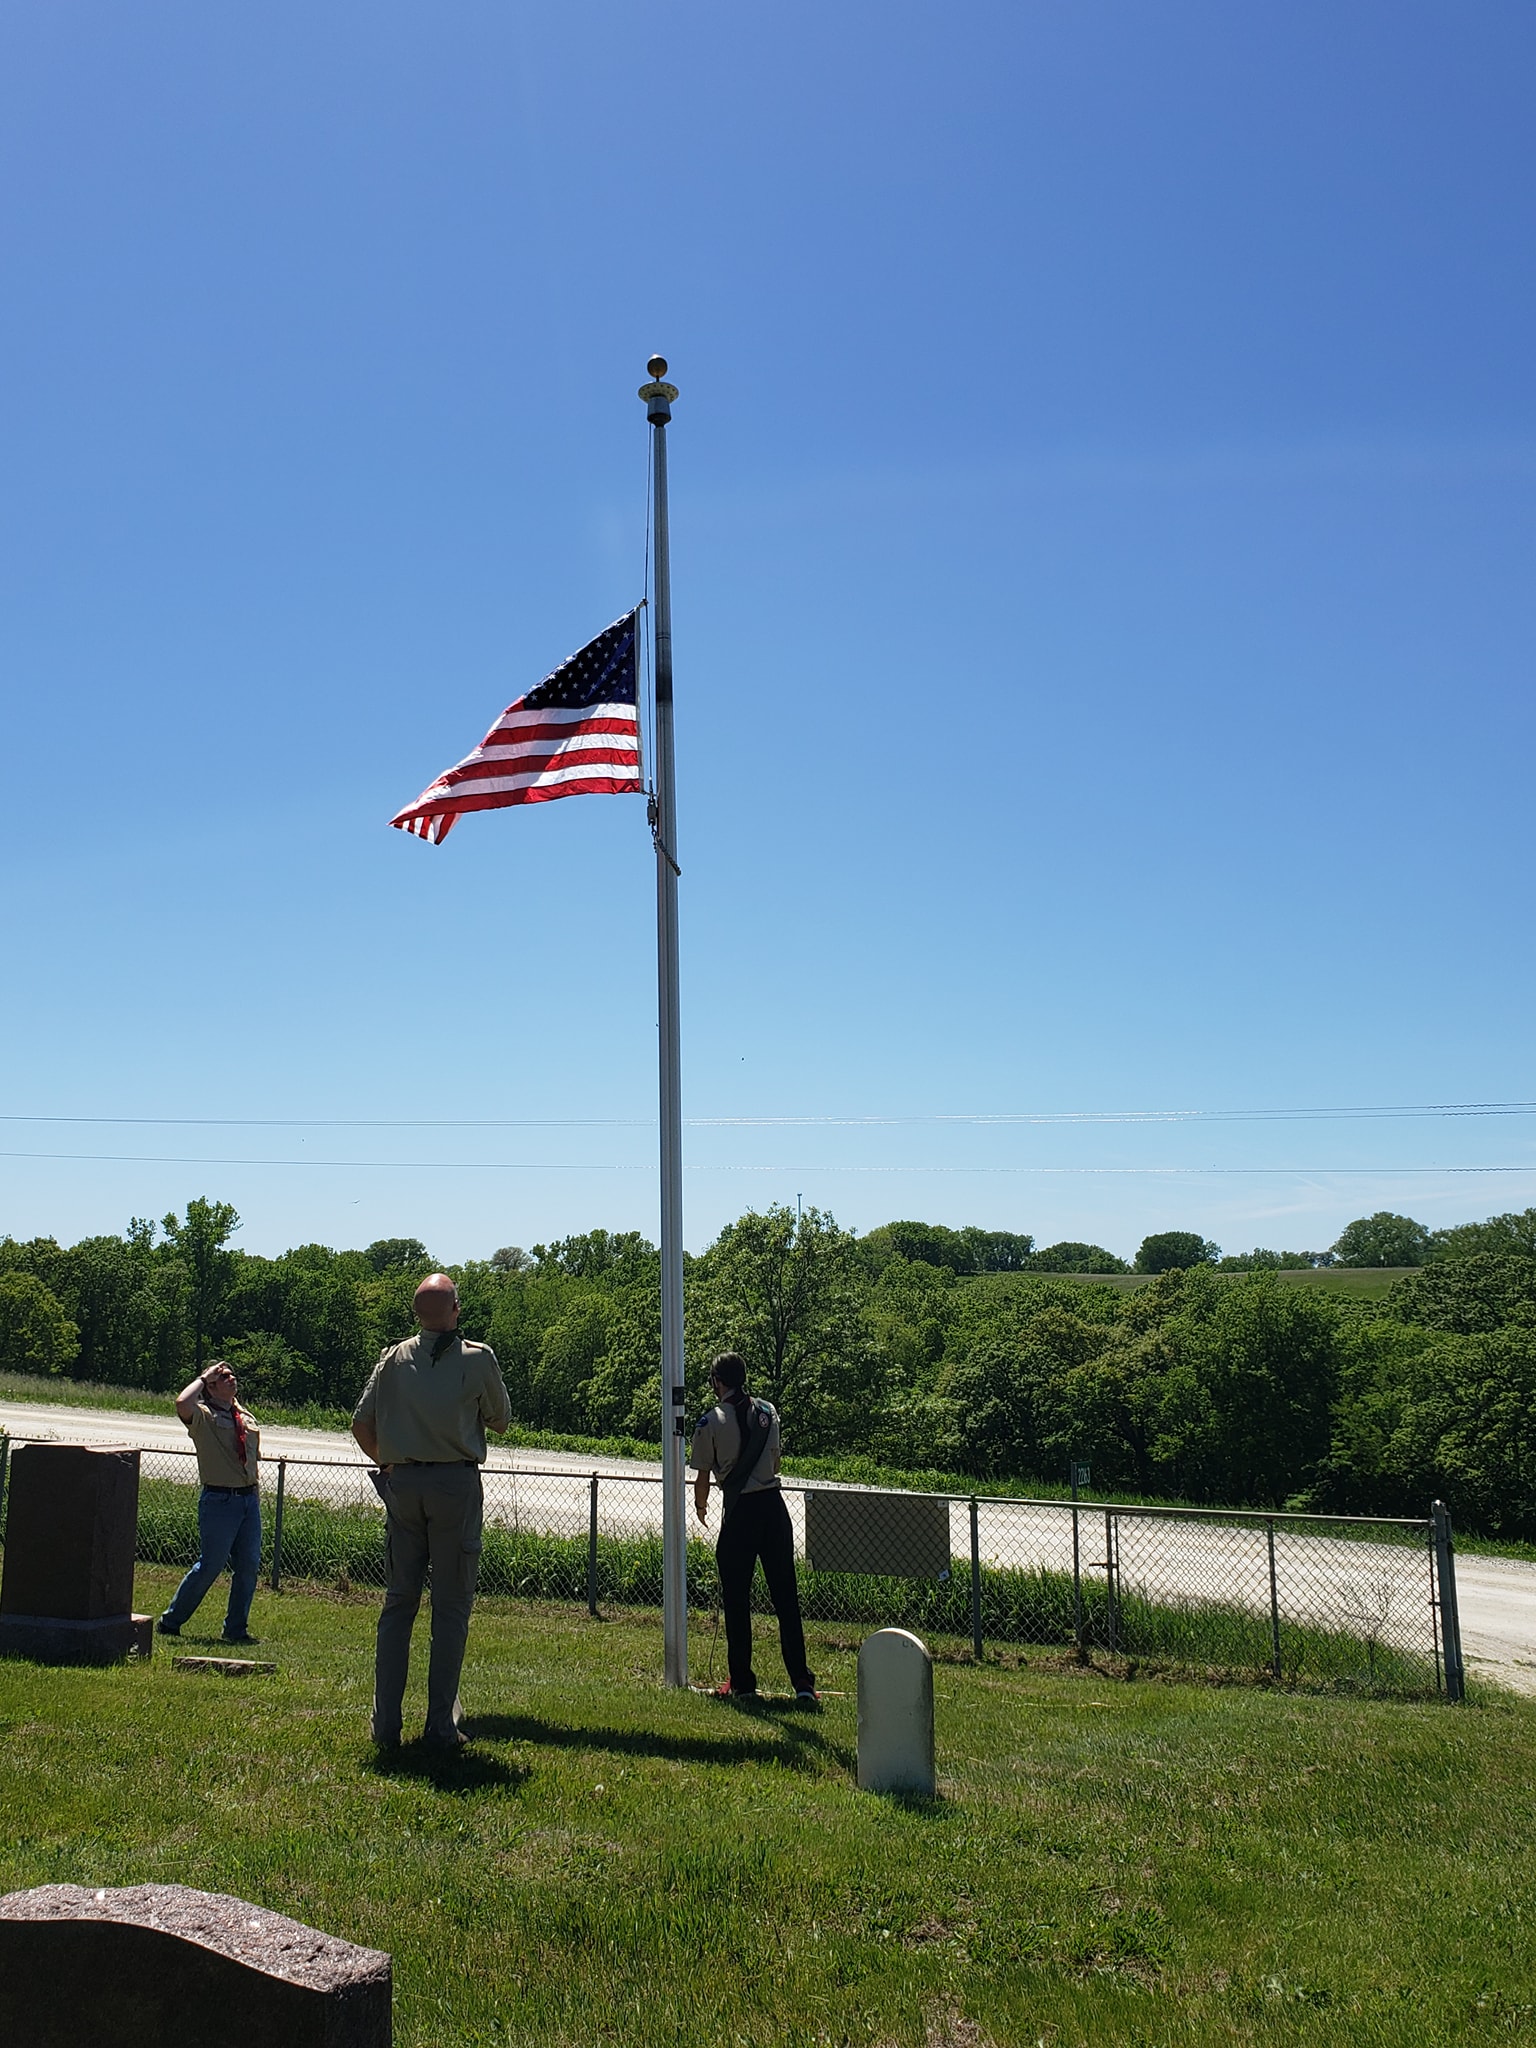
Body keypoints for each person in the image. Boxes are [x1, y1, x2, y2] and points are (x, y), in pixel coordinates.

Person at [351, 1272, 511, 1749]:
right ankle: (440, 1725)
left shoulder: (393, 1359)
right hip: (454, 1485)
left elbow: (361, 1425)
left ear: (416, 1314)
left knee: (398, 1603)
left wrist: (393, 1464)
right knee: (451, 1607)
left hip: (402, 1485)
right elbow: (501, 1421)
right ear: (456, 1310)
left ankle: (386, 1726)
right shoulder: (477, 1359)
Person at [690, 1350, 817, 1703]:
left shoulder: (710, 1421)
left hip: (741, 1511)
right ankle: (802, 1683)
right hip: (774, 1509)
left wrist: (702, 1506)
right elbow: (775, 1459)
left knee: (737, 1599)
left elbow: (703, 1475)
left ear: (717, 1381)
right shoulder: (768, 1411)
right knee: (785, 1597)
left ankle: (743, 1683)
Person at [157, 1360, 263, 1644]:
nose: (232, 1378)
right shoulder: (203, 1416)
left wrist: (253, 1493)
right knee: (211, 1565)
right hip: (219, 1500)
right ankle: (171, 1621)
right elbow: (182, 1402)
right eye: (223, 1377)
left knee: (249, 1566)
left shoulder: (243, 1415)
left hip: (248, 1500)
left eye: (231, 1375)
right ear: (211, 1387)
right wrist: (204, 1377)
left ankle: (236, 1630)